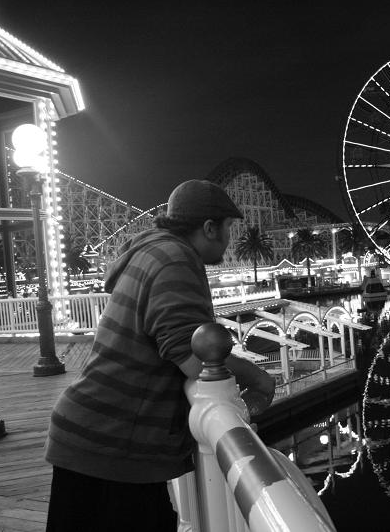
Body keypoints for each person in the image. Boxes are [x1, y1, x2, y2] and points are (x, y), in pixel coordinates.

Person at [44, 179, 275, 532]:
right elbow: (194, 356)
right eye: (229, 227)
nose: (230, 239)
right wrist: (257, 377)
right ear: (209, 227)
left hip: (97, 434)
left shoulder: (151, 250)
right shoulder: (176, 260)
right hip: (113, 444)